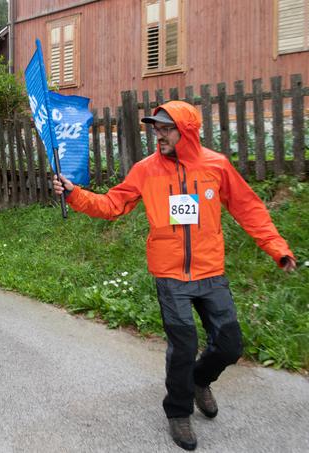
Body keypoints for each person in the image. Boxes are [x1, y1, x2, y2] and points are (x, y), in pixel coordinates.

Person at [52, 101, 296, 451]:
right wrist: (75, 195)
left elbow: (249, 208)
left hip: (210, 271)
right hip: (169, 274)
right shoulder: (146, 170)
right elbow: (112, 205)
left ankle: (199, 380)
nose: (158, 134)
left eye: (166, 128)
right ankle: (178, 411)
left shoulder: (216, 166)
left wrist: (277, 247)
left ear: (187, 131)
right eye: (156, 128)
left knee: (230, 345)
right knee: (183, 346)